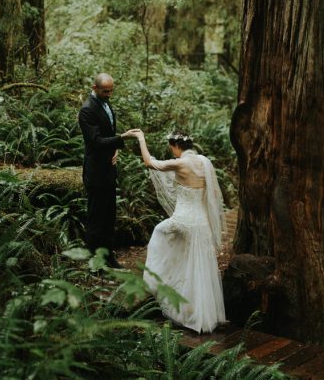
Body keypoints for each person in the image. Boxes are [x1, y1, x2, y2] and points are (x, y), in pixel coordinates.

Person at [130, 129, 226, 333]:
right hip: (201, 224)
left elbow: (150, 163)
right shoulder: (203, 162)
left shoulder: (180, 163)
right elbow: (215, 193)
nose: (171, 151)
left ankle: (155, 282)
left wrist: (141, 138)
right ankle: (201, 315)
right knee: (195, 267)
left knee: (158, 233)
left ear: (175, 146)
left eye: (171, 148)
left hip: (183, 221)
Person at [78, 73, 137, 268]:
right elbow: (94, 141)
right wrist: (122, 138)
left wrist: (115, 151)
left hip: (109, 170)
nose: (109, 94)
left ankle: (109, 257)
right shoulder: (87, 110)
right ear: (95, 88)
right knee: (96, 219)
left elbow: (107, 134)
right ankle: (95, 263)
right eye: (105, 91)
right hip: (96, 174)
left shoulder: (105, 102)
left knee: (109, 217)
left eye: (111, 91)